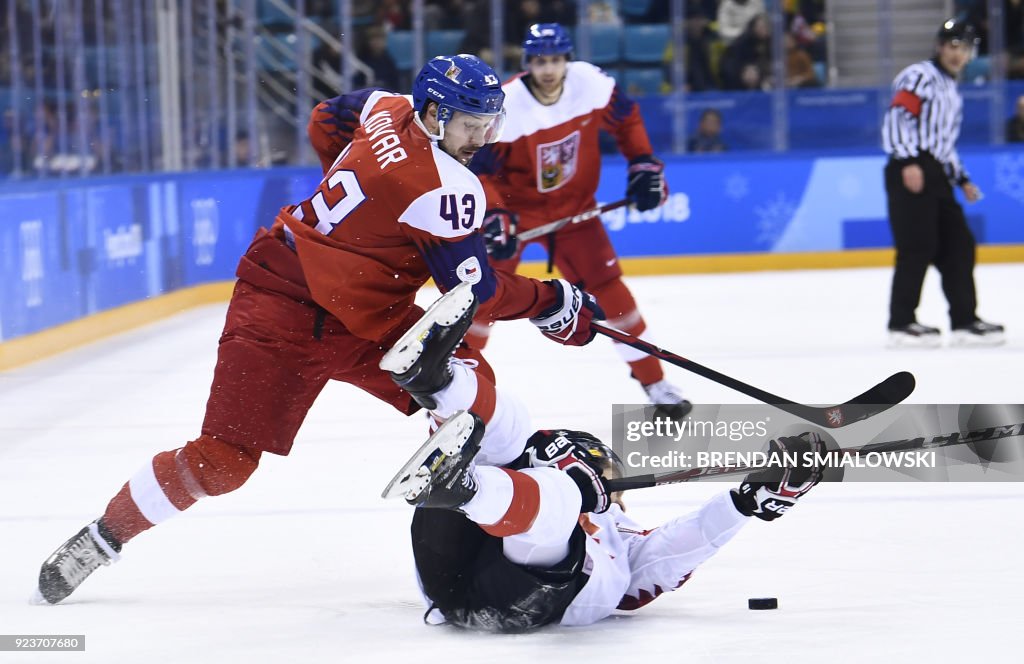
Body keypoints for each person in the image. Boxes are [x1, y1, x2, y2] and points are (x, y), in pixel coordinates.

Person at [34, 54, 606, 605]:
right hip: (280, 311)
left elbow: (324, 119)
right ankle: (103, 538)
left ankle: (493, 515)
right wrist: (551, 299)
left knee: (473, 397)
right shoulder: (445, 188)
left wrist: (369, 209)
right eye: (470, 126)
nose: (483, 139)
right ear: (433, 114)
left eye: (491, 123)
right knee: (224, 462)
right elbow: (476, 292)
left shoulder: (387, 106)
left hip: (363, 316)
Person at [390, 402, 825, 631]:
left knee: (558, 499)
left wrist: (745, 502)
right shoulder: (531, 482)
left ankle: (462, 485)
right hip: (452, 569)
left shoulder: (621, 537)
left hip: (521, 603)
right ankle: (440, 388)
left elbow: (670, 554)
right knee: (505, 426)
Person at [468, 23, 692, 419]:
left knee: (614, 294)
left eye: (555, 59)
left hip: (575, 211)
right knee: (482, 299)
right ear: (528, 64)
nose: (549, 69)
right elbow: (480, 168)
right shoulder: (508, 105)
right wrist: (494, 212)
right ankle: (457, 388)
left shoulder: (591, 83)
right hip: (517, 215)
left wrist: (642, 160)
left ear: (567, 59)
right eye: (540, 61)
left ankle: (655, 381)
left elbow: (627, 120)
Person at [881, 18, 1004, 347]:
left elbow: (943, 144)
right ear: (939, 46)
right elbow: (897, 118)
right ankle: (901, 322)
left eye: (964, 48)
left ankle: (964, 321)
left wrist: (960, 178)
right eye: (952, 46)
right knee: (917, 247)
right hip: (911, 169)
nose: (957, 54)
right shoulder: (919, 76)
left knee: (959, 245)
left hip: (936, 173)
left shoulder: (951, 89)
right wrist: (908, 161)